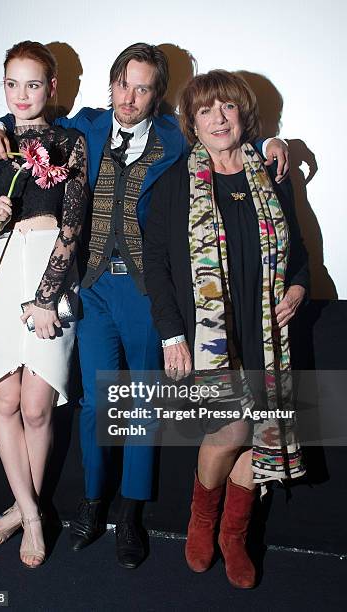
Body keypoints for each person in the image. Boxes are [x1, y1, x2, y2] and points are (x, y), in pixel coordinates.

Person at [0, 44, 289, 570]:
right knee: (95, 406)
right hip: (93, 289)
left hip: (146, 291)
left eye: (142, 87)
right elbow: (27, 117)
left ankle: (129, 516)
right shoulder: (88, 126)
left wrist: (276, 140)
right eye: (123, 84)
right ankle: (92, 503)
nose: (130, 96)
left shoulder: (174, 136)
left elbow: (228, 137)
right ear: (112, 85)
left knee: (142, 405)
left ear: (157, 94)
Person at [143, 69, 309, 587]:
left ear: (243, 116)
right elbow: (157, 265)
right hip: (208, 336)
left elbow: (298, 254)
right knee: (229, 429)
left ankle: (233, 536)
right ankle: (202, 518)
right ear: (192, 123)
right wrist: (172, 335)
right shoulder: (176, 181)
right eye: (205, 111)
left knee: (258, 436)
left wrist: (298, 289)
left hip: (265, 334)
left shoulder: (271, 177)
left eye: (228, 108)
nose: (218, 118)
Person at [0, 40, 88, 568]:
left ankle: (20, 507)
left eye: (33, 83)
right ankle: (33, 518)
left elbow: (75, 225)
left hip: (50, 274)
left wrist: (46, 297)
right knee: (5, 403)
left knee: (38, 407)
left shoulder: (70, 142)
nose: (21, 94)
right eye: (12, 83)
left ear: (52, 87)